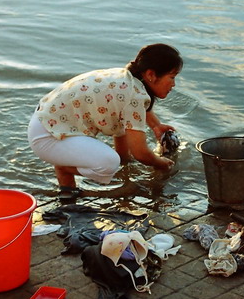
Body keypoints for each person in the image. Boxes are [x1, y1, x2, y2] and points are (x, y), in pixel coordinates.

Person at [28, 44, 182, 193]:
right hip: (49, 137)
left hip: (46, 122)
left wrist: (156, 126)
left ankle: (68, 191)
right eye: (172, 77)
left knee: (120, 143)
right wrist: (161, 163)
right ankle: (64, 168)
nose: (173, 84)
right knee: (108, 163)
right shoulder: (134, 96)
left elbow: (129, 117)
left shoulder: (126, 79)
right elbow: (140, 153)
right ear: (151, 75)